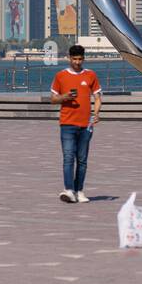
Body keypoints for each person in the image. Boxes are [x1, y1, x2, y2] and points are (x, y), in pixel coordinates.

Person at [49, 44, 101, 204]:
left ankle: (79, 191)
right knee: (68, 158)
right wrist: (64, 97)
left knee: (82, 159)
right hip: (67, 123)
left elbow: (98, 97)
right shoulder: (61, 76)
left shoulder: (91, 75)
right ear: (69, 58)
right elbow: (53, 99)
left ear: (83, 59)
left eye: (80, 59)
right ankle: (68, 190)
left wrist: (96, 114)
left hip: (86, 124)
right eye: (74, 59)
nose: (77, 62)